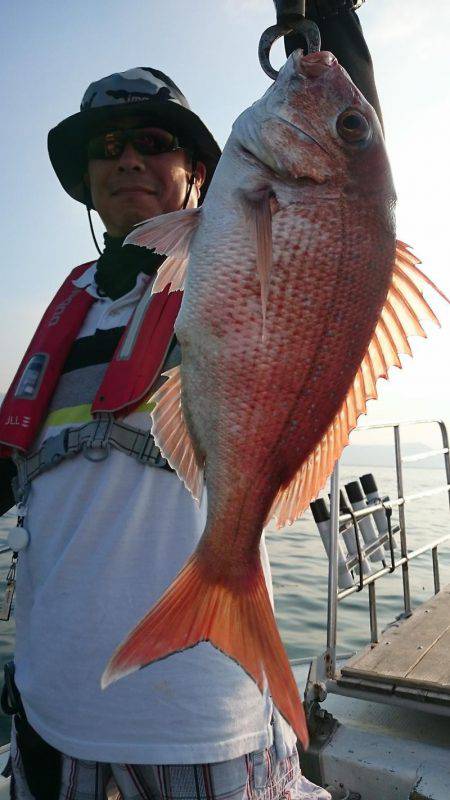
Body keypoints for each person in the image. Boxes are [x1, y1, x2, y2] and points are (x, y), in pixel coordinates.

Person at [0, 3, 378, 798]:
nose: (127, 158)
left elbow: (350, 206)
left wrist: (331, 31)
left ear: (200, 172)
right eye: (107, 148)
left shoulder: (221, 256)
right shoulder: (65, 307)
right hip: (48, 708)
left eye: (153, 140)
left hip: (198, 720)